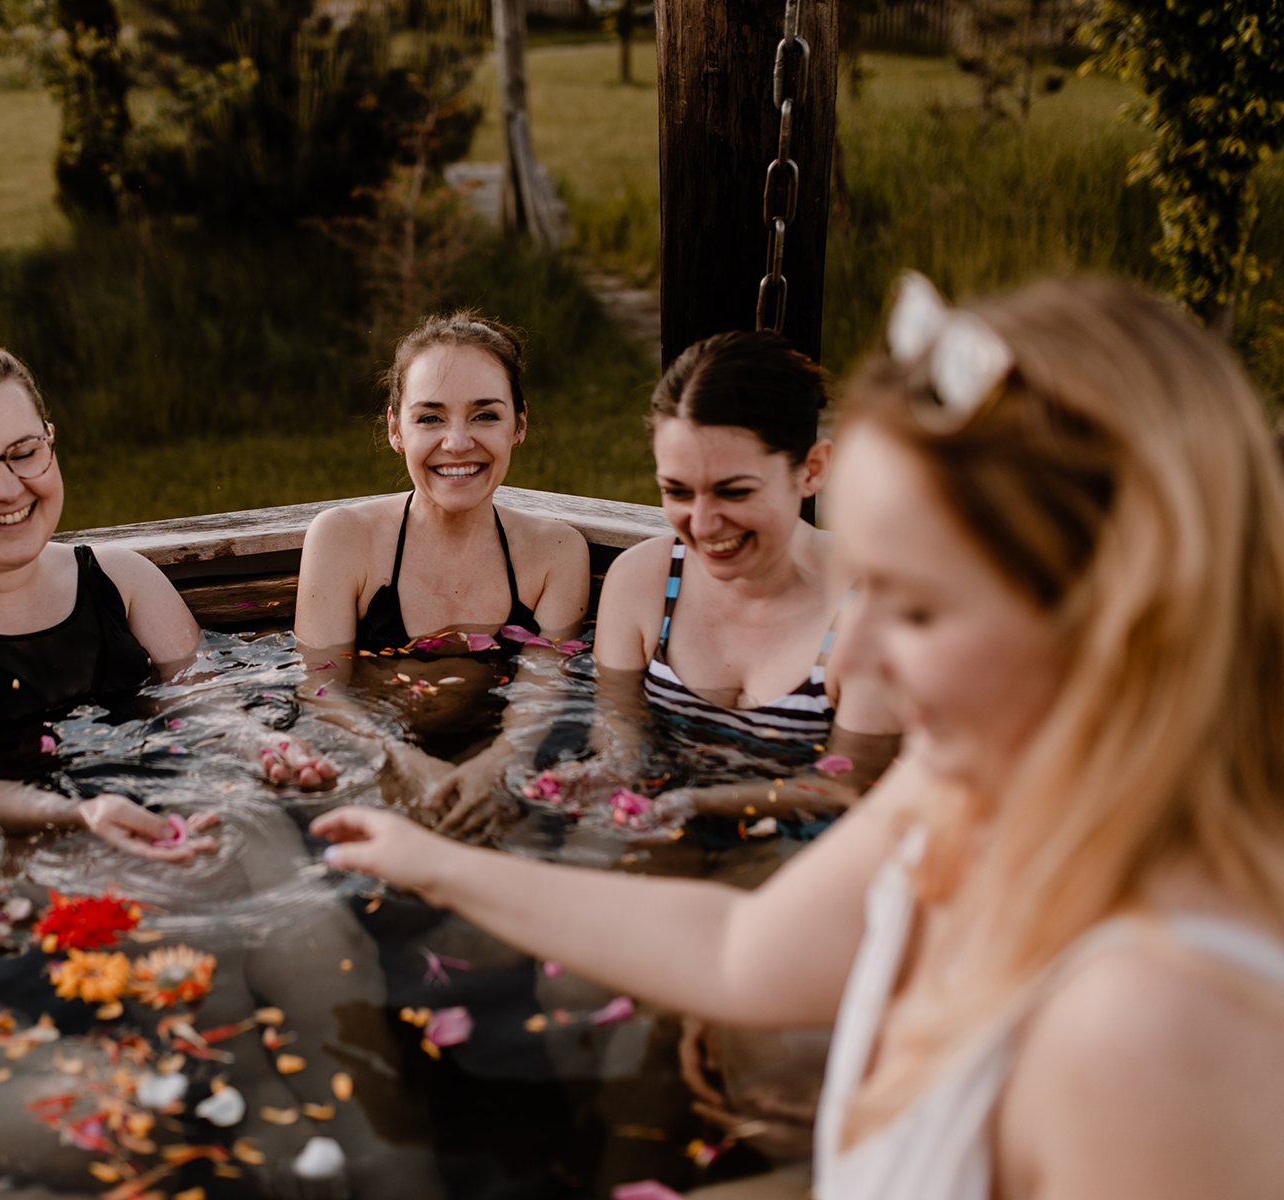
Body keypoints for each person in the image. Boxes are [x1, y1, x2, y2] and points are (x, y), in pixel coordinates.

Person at [311, 275, 1284, 1198]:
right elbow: (735, 949)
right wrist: (435, 864)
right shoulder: (949, 798)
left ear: (1113, 610)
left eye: (917, 606)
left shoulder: (1159, 1030)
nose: (849, 647)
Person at [0, 312, 335, 855]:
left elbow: (199, 701)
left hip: (176, 813)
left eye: (25, 452)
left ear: (50, 444)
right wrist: (76, 816)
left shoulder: (122, 580)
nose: (7, 489)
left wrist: (255, 742)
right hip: (15, 862)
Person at [533, 330, 899, 828]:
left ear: (812, 470)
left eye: (734, 491)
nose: (703, 525)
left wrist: (695, 805)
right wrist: (614, 769)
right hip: (665, 822)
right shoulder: (640, 583)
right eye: (678, 491)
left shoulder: (869, 615)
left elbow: (845, 786)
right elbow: (620, 729)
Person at [294, 313, 590, 838]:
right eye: (430, 418)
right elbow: (321, 690)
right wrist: (400, 761)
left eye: (485, 415)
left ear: (519, 425)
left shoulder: (556, 553)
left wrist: (493, 768)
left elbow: (541, 696)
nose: (457, 442)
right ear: (395, 429)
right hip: (372, 756)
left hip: (494, 757)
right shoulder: (343, 539)